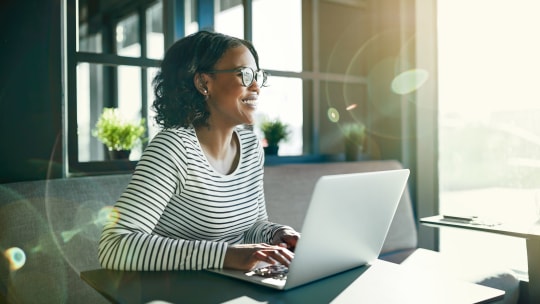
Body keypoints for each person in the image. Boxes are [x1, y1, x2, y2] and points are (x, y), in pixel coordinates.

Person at [98, 30, 300, 272]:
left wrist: (277, 234)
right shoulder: (172, 148)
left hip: (235, 285)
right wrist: (226, 255)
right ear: (204, 83)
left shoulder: (250, 147)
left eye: (257, 75)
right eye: (244, 75)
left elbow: (251, 226)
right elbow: (114, 245)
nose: (256, 86)